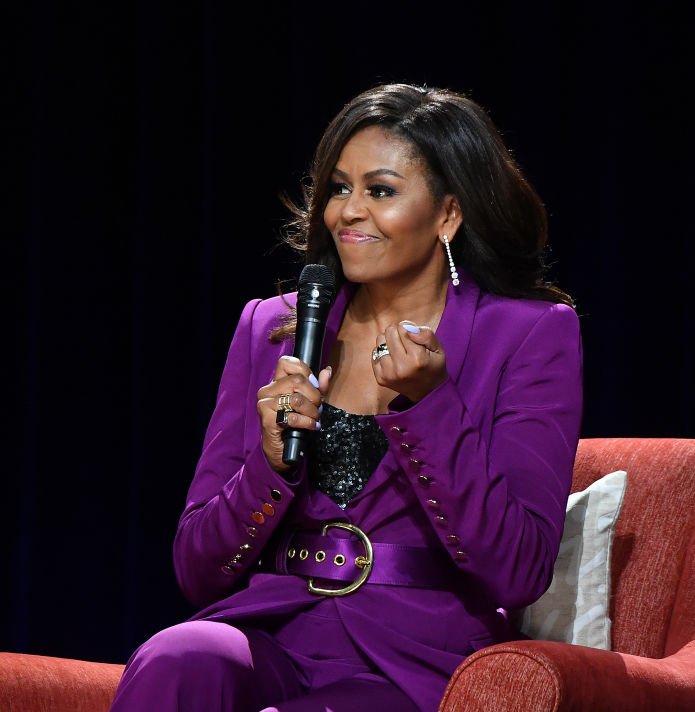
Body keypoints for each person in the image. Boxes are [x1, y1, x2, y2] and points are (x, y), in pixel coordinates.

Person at [108, 82, 583, 712]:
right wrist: (270, 465)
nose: (347, 213)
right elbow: (197, 569)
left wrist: (430, 405)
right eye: (338, 188)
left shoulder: (527, 334)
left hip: (412, 660)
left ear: (448, 212)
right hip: (271, 631)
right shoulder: (271, 326)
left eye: (380, 191)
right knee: (181, 657)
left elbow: (518, 568)